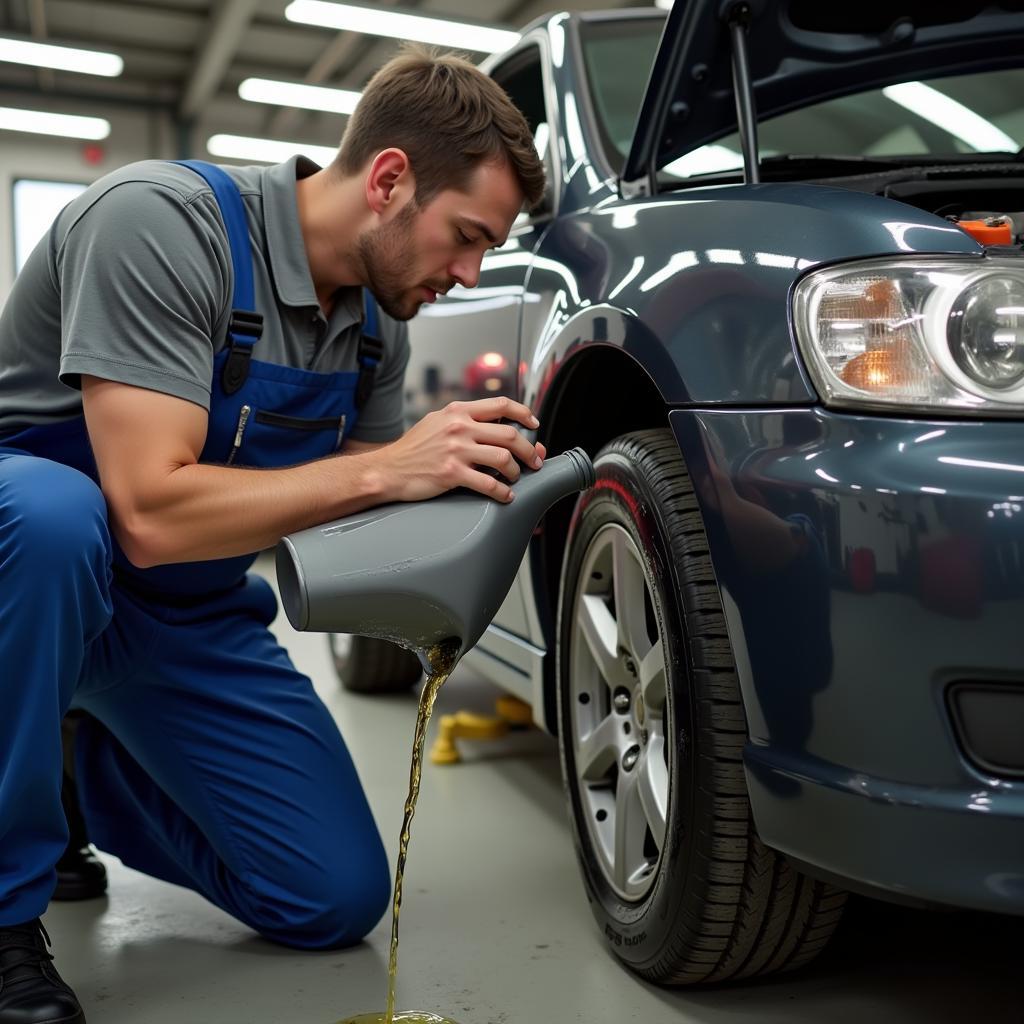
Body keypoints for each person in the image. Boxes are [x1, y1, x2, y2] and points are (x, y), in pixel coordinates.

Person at [0, 45, 546, 1024]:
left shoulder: (375, 331)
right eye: (466, 236)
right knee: (52, 516)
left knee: (331, 895)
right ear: (388, 180)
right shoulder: (163, 223)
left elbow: (363, 523)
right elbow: (148, 512)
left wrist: (491, 496)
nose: (466, 275)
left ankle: (72, 766)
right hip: (33, 581)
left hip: (185, 614)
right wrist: (389, 465)